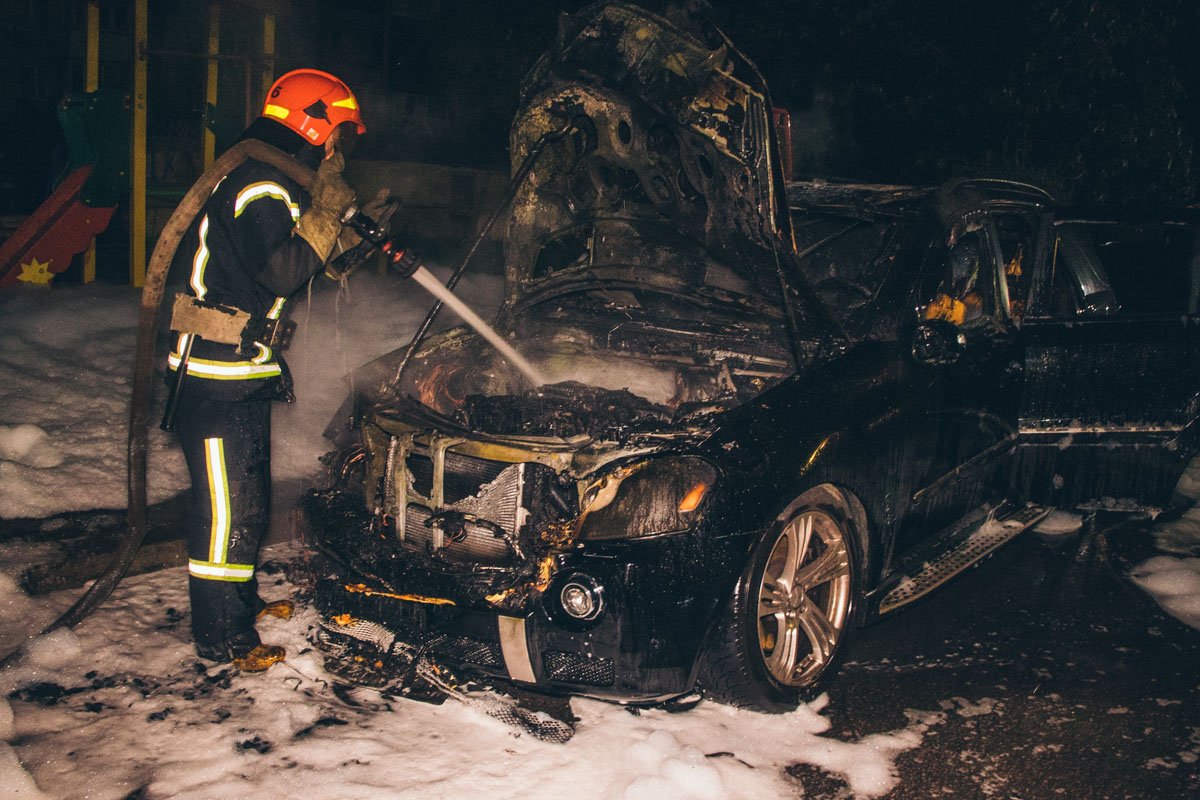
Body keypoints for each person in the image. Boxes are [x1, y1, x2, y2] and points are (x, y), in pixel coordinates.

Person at [166, 69, 364, 671]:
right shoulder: (258, 182)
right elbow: (280, 271)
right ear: (314, 120)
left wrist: (344, 230)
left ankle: (240, 603)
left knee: (247, 501)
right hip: (212, 372)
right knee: (226, 509)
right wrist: (328, 215)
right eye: (339, 133)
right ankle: (221, 637)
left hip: (239, 368)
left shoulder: (269, 176)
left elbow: (296, 255)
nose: (338, 148)